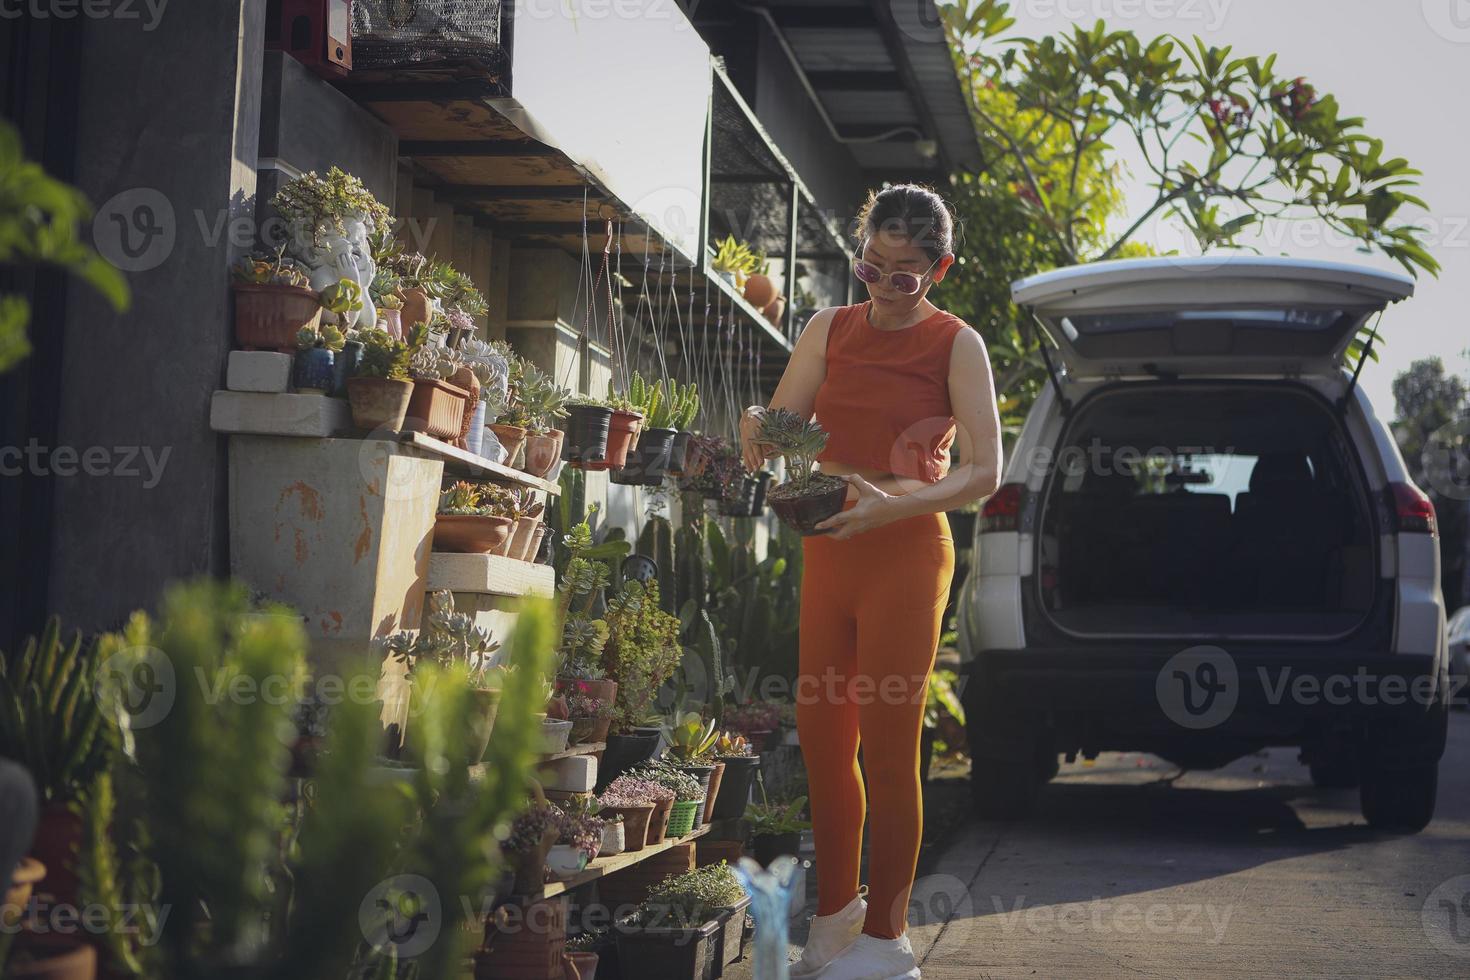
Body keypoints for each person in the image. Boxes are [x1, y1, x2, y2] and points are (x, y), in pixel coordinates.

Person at [738, 184, 1002, 980]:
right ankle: (836, 913)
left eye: (905, 274)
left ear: (940, 269)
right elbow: (786, 427)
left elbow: (987, 473)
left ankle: (889, 942)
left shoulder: (958, 344)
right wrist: (758, 427)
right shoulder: (829, 327)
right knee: (823, 739)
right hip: (830, 546)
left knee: (890, 747)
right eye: (871, 267)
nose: (883, 287)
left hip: (907, 548)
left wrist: (896, 503)